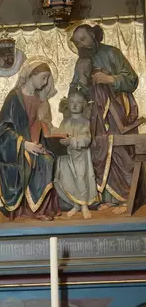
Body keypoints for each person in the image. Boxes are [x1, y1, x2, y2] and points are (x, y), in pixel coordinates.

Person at [70, 24, 139, 214]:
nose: (81, 44)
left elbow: (132, 80)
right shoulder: (81, 62)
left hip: (117, 113)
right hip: (95, 115)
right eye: (77, 42)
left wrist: (109, 79)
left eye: (83, 39)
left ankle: (126, 197)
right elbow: (75, 90)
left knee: (120, 151)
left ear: (93, 35)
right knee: (98, 151)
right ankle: (107, 197)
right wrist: (81, 84)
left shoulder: (111, 53)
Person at [0, 60, 61, 221]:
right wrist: (24, 144)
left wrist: (42, 142)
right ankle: (34, 210)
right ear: (32, 75)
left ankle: (39, 207)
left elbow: (41, 126)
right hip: (13, 148)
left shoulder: (39, 99)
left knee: (49, 157)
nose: (45, 83)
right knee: (43, 161)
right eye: (43, 77)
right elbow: (3, 130)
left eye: (47, 79)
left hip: (33, 144)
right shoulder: (14, 98)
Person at [54, 91, 98, 219]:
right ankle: (76, 204)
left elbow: (87, 139)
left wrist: (72, 141)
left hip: (80, 156)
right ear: (67, 104)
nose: (74, 105)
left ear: (84, 105)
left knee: (81, 179)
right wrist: (59, 140)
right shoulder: (64, 122)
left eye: (78, 102)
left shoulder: (85, 122)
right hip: (66, 157)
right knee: (68, 180)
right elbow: (59, 136)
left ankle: (84, 205)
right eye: (72, 102)